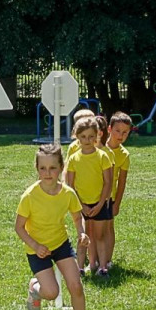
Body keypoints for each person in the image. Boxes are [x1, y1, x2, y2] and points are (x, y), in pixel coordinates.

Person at [15, 144, 94, 310]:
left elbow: (77, 217)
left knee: (76, 285)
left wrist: (81, 233)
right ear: (37, 169)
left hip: (60, 244)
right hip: (37, 249)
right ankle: (35, 288)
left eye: (52, 168)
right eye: (42, 168)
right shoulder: (29, 196)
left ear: (61, 168)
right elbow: (19, 227)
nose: (47, 173)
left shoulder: (68, 193)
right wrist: (36, 246)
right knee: (51, 293)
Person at [65, 117, 113, 276]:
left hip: (100, 203)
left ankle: (102, 267)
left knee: (99, 236)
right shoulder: (73, 159)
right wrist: (81, 205)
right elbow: (70, 185)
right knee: (83, 236)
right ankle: (80, 268)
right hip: (81, 204)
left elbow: (108, 182)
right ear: (76, 136)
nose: (87, 140)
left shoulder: (103, 156)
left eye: (91, 136)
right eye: (83, 136)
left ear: (97, 135)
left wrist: (100, 204)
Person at [103, 112, 132, 269]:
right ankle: (92, 257)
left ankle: (107, 260)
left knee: (108, 227)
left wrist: (117, 203)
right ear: (109, 129)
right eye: (117, 131)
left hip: (110, 197)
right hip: (92, 195)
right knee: (92, 228)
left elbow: (122, 182)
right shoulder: (99, 148)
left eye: (125, 132)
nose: (120, 135)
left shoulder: (124, 155)